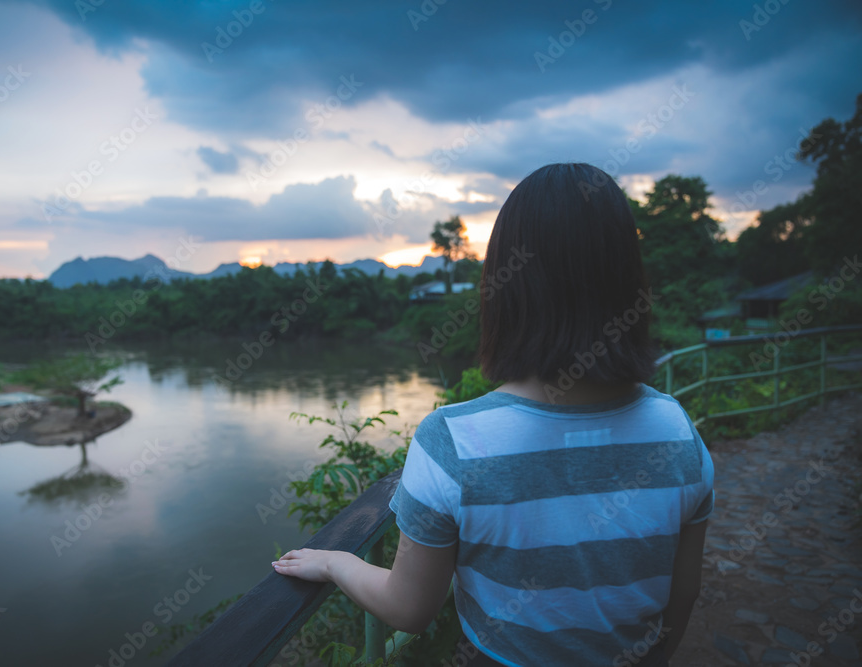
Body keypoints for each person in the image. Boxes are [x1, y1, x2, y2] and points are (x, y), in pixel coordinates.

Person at [272, 163, 714, 666]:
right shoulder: (677, 431)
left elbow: (410, 608)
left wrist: (335, 562)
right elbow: (685, 594)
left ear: (506, 285)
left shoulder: (452, 441)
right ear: (628, 279)